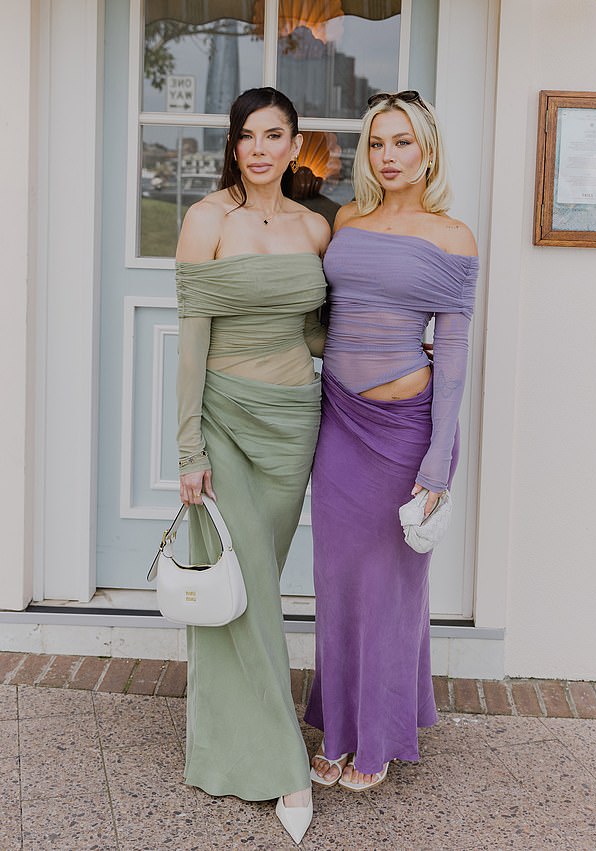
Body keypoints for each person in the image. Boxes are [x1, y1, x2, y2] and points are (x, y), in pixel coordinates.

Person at [305, 91, 479, 790]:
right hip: (339, 423)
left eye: (403, 142)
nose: (389, 155)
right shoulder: (348, 217)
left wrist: (439, 458)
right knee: (338, 581)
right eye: (378, 143)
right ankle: (339, 730)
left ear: (428, 149)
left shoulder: (453, 235)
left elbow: (457, 353)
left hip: (408, 434)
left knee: (393, 587)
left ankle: (376, 736)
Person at [175, 87, 330, 844]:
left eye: (274, 134)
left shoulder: (316, 226)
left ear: (294, 142)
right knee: (256, 594)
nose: (260, 147)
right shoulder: (208, 220)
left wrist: (403, 353)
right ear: (233, 145)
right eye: (247, 135)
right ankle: (284, 765)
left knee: (251, 585)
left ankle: (221, 736)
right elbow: (190, 344)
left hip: (293, 423)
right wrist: (188, 449)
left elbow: (318, 331)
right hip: (224, 423)